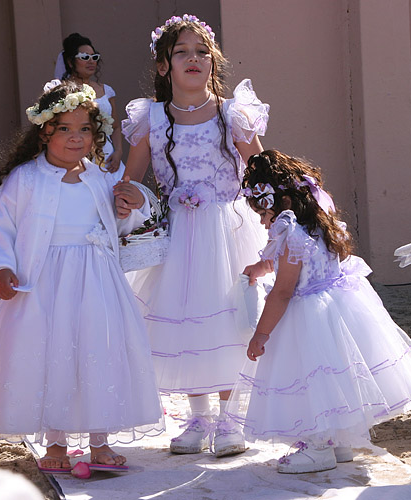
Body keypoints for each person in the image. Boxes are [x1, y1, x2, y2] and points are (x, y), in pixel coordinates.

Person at [0, 81, 164, 472]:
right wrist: (2, 267)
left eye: (84, 129)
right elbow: (1, 224)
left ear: (96, 133)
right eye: (65, 128)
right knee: (53, 354)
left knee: (96, 352)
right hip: (44, 283)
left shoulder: (102, 177)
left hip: (97, 281)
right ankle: (55, 441)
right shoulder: (25, 178)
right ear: (45, 131)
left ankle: (100, 439)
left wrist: (133, 204)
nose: (75, 137)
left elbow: (124, 223)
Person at [114, 14, 269, 457]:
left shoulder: (231, 114)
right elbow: (134, 178)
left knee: (228, 318)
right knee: (184, 319)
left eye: (202, 52)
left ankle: (230, 420)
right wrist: (127, 198)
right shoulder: (151, 118)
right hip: (178, 233)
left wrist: (277, 218)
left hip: (228, 230)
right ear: (164, 65)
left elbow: (261, 175)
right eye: (181, 52)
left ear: (213, 62)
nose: (193, 59)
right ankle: (197, 418)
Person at [230, 149, 411, 473]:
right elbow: (290, 261)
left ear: (281, 207)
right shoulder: (316, 222)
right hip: (341, 306)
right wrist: (261, 266)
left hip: (308, 315)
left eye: (262, 214)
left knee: (310, 382)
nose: (261, 221)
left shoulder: (289, 233)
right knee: (333, 380)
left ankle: (317, 448)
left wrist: (261, 334)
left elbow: (283, 291)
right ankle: (338, 442)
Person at [56, 32, 124, 175]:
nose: (91, 61)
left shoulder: (106, 90)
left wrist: (118, 152)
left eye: (94, 57)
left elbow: (116, 126)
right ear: (70, 62)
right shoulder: (63, 91)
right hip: (79, 157)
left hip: (108, 158)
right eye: (85, 57)